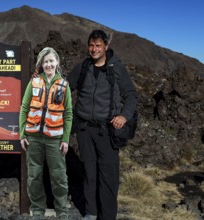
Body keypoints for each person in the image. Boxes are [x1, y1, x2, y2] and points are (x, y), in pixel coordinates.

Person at [68, 30, 138, 220]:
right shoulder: (83, 67)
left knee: (108, 176)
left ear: (106, 46)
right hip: (84, 129)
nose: (94, 49)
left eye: (98, 46)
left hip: (107, 131)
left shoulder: (117, 69)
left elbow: (131, 95)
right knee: (89, 172)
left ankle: (107, 216)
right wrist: (41, 80)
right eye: (91, 45)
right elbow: (64, 87)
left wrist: (124, 116)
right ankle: (90, 213)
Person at [19, 47, 73, 220]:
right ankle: (38, 212)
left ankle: (62, 213)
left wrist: (65, 139)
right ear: (41, 64)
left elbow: (68, 114)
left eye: (51, 61)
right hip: (33, 139)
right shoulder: (34, 82)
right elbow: (24, 108)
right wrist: (22, 134)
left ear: (57, 62)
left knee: (59, 177)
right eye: (45, 61)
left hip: (55, 140)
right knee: (34, 177)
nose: (49, 64)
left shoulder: (64, 86)